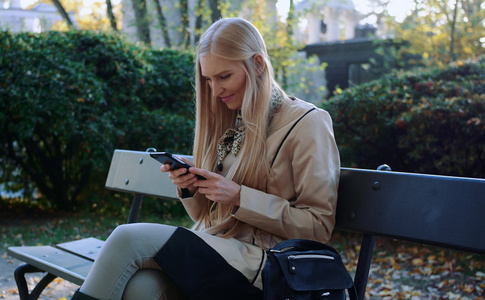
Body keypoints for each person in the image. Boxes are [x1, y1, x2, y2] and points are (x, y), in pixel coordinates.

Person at [70, 17, 340, 300]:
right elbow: (205, 217)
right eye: (208, 79)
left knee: (127, 239)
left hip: (271, 268)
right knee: (143, 289)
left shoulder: (308, 123)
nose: (214, 90)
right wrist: (190, 187)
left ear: (258, 64)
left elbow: (318, 228)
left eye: (224, 77)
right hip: (220, 254)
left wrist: (239, 196)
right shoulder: (233, 120)